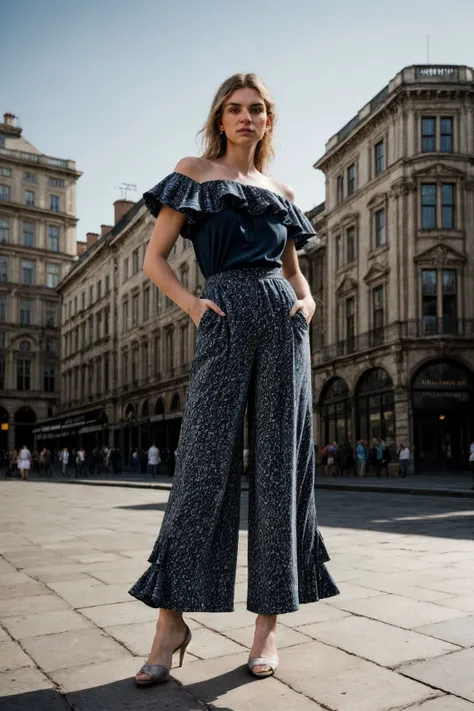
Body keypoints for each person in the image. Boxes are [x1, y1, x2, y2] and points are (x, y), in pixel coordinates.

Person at [129, 73, 339, 687]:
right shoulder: (192, 172)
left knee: (280, 470)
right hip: (222, 317)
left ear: (268, 121)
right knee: (201, 469)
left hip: (283, 326)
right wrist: (195, 308)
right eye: (235, 109)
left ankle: (267, 624)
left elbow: (296, 271)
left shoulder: (281, 189)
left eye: (258, 110)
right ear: (220, 118)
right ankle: (171, 625)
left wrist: (309, 303)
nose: (247, 118)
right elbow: (154, 258)